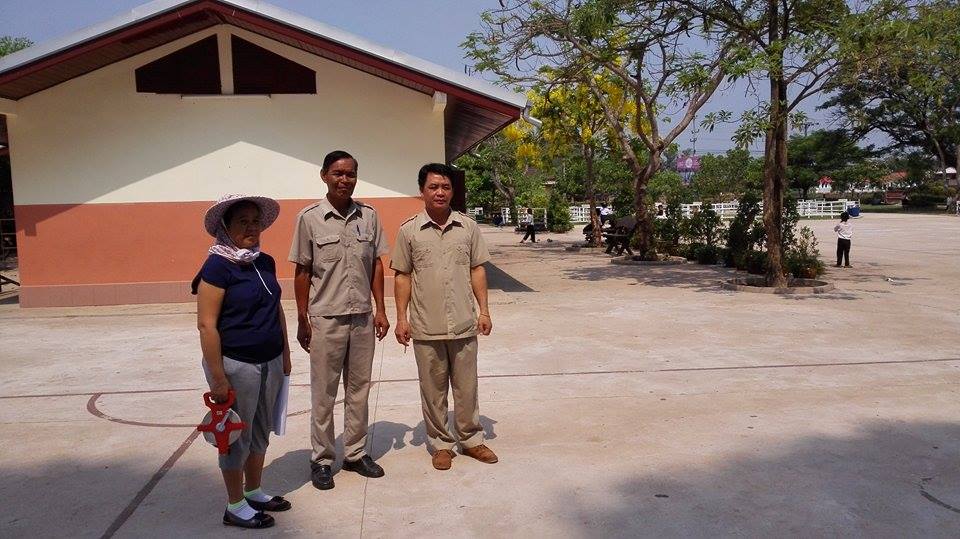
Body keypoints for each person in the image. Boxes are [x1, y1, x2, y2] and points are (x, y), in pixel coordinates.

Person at [289, 150, 390, 491]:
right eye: (338, 173)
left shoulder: (369, 216)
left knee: (359, 389)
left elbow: (376, 265)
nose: (344, 179)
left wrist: (381, 309)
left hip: (361, 317)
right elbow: (302, 271)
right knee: (324, 393)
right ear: (324, 176)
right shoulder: (309, 218)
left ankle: (356, 453)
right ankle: (321, 459)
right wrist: (302, 318)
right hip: (325, 318)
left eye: (350, 174)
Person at [391, 163, 499, 471]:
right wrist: (401, 318)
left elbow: (477, 269)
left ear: (452, 191)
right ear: (422, 191)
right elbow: (402, 275)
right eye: (433, 187)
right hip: (426, 326)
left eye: (446, 187)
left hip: (464, 323)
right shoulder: (409, 230)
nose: (440, 192)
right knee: (432, 390)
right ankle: (441, 444)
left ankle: (472, 439)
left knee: (467, 388)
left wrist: (484, 311)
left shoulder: (468, 227)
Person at [195, 194, 291, 529]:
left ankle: (254, 490)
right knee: (236, 435)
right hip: (237, 365)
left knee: (261, 429)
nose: (252, 228)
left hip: (271, 360)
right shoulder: (217, 267)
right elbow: (207, 325)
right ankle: (235, 505)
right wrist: (218, 377)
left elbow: (276, 309)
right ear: (226, 227)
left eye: (255, 221)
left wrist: (285, 353)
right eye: (242, 222)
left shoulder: (265, 262)